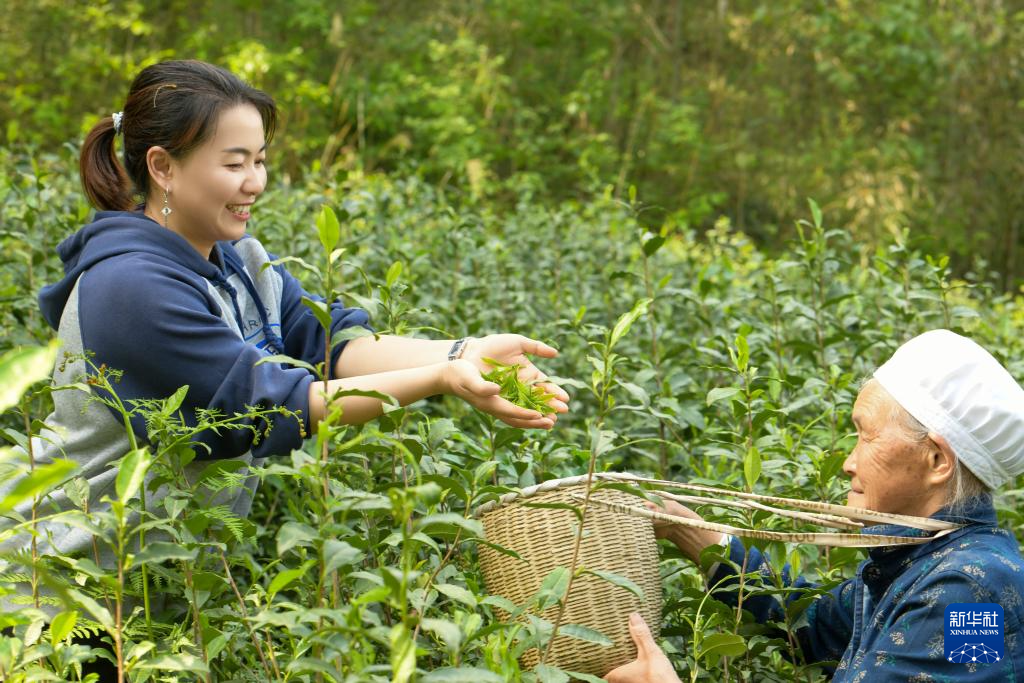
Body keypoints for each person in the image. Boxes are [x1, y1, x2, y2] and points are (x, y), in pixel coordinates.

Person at [0, 59, 568, 629]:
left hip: (158, 594)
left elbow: (329, 343)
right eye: (234, 163)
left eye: (261, 160)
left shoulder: (242, 261)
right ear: (163, 167)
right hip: (58, 598)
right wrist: (441, 380)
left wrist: (461, 353)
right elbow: (269, 404)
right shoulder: (129, 288)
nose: (256, 182)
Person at [606, 330, 1024, 682]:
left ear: (936, 461)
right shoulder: (921, 561)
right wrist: (688, 530)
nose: (848, 463)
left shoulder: (969, 594)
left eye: (867, 435)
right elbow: (809, 624)